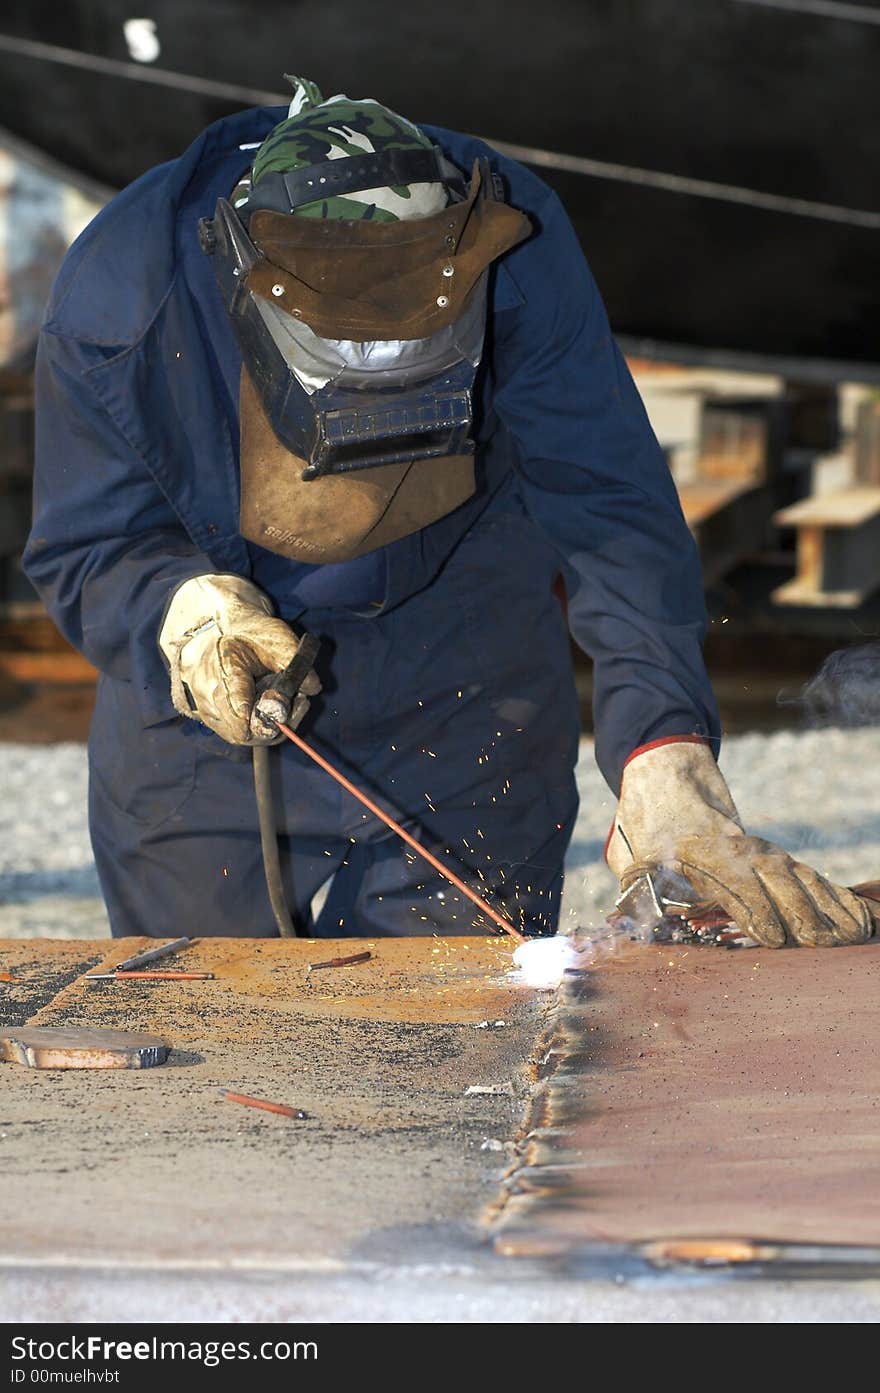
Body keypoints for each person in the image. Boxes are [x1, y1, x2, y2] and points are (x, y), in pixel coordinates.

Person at [23, 78, 872, 948]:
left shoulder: (512, 242)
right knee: (207, 1030)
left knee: (461, 1052)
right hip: (212, 713)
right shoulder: (121, 304)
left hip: (465, 681)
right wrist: (177, 609)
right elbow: (89, 544)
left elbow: (608, 498)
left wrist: (664, 745)